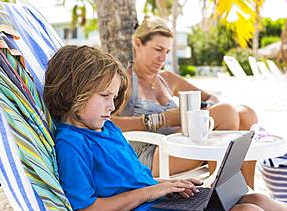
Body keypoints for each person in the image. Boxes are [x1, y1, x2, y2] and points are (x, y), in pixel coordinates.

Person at [44, 45, 287, 211]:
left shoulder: (106, 128)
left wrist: (167, 184)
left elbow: (130, 182)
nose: (113, 106)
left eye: (114, 96)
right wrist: (152, 191)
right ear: (74, 92)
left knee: (253, 199)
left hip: (154, 205)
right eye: (105, 97)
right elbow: (87, 210)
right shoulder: (72, 143)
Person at [110, 16, 258, 187]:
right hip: (152, 155)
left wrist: (201, 114)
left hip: (179, 144)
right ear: (137, 44)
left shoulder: (167, 79)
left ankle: (248, 191)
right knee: (226, 112)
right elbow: (107, 122)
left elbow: (211, 98)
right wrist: (161, 120)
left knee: (246, 113)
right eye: (158, 49)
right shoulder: (126, 81)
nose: (162, 58)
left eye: (167, 52)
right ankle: (218, 188)